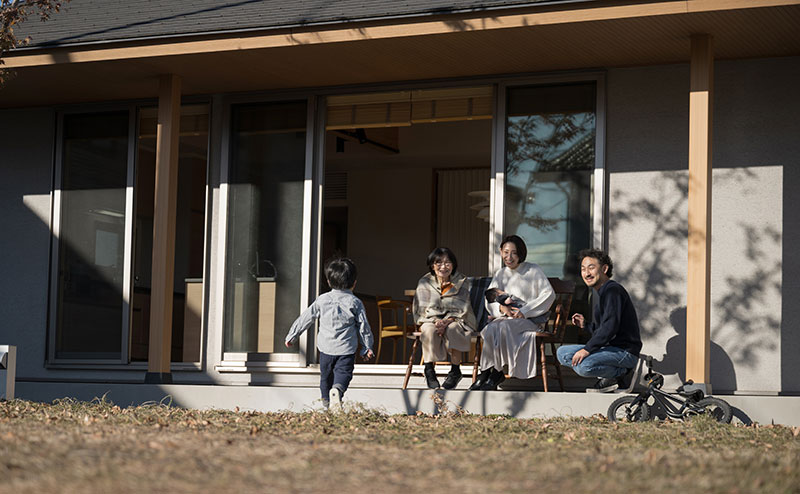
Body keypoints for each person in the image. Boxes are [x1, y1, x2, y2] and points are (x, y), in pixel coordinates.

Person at [285, 258, 374, 408]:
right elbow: (363, 326)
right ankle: (337, 390)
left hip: (326, 349)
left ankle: (326, 405)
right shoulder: (355, 302)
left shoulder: (322, 300)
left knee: (325, 378)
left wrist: (292, 335)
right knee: (343, 374)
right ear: (354, 283)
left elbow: (306, 317)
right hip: (346, 350)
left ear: (328, 281)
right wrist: (367, 347)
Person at [470, 235, 555, 391]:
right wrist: (501, 309)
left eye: (514, 253)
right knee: (489, 329)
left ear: (521, 254)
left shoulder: (533, 270)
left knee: (502, 327)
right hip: (507, 320)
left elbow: (549, 295)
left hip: (531, 321)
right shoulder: (501, 273)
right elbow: (490, 299)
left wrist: (525, 311)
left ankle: (495, 372)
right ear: (501, 252)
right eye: (506, 252)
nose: (509, 257)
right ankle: (486, 372)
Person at [555, 248, 642, 393]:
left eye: (591, 268)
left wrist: (587, 349)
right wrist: (586, 325)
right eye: (583, 269)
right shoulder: (603, 293)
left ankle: (622, 374)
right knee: (562, 352)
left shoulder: (613, 291)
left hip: (625, 352)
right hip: (610, 349)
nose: (586, 273)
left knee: (584, 366)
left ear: (604, 269)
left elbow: (610, 327)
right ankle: (612, 377)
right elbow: (605, 329)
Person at [412, 247, 477, 389]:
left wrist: (447, 321)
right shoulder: (424, 282)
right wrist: (437, 321)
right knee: (428, 329)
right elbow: (422, 308)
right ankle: (429, 369)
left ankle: (455, 370)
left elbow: (463, 306)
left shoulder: (461, 281)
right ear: (432, 265)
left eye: (447, 263)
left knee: (454, 329)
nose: (443, 266)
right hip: (429, 319)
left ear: (453, 264)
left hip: (457, 318)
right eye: (438, 263)